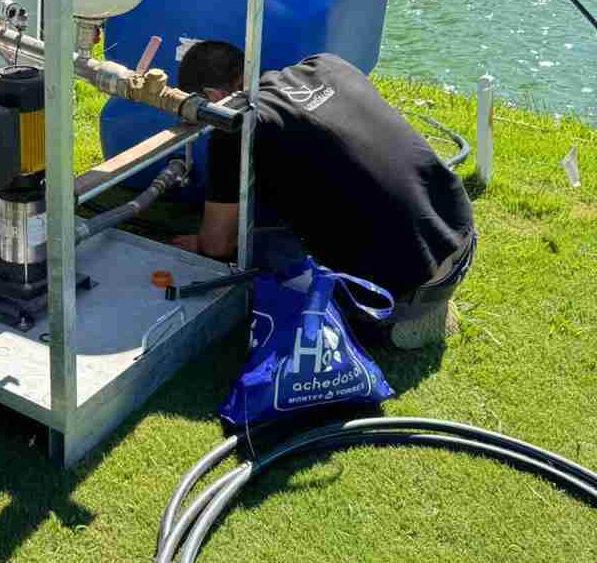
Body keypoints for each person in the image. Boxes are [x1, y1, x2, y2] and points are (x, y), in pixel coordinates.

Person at [172, 42, 476, 349]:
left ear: (211, 99)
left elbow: (218, 245)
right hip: (460, 235)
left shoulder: (237, 124)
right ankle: (426, 298)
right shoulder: (328, 64)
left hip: (403, 291)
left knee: (262, 244)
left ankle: (396, 325)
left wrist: (201, 241)